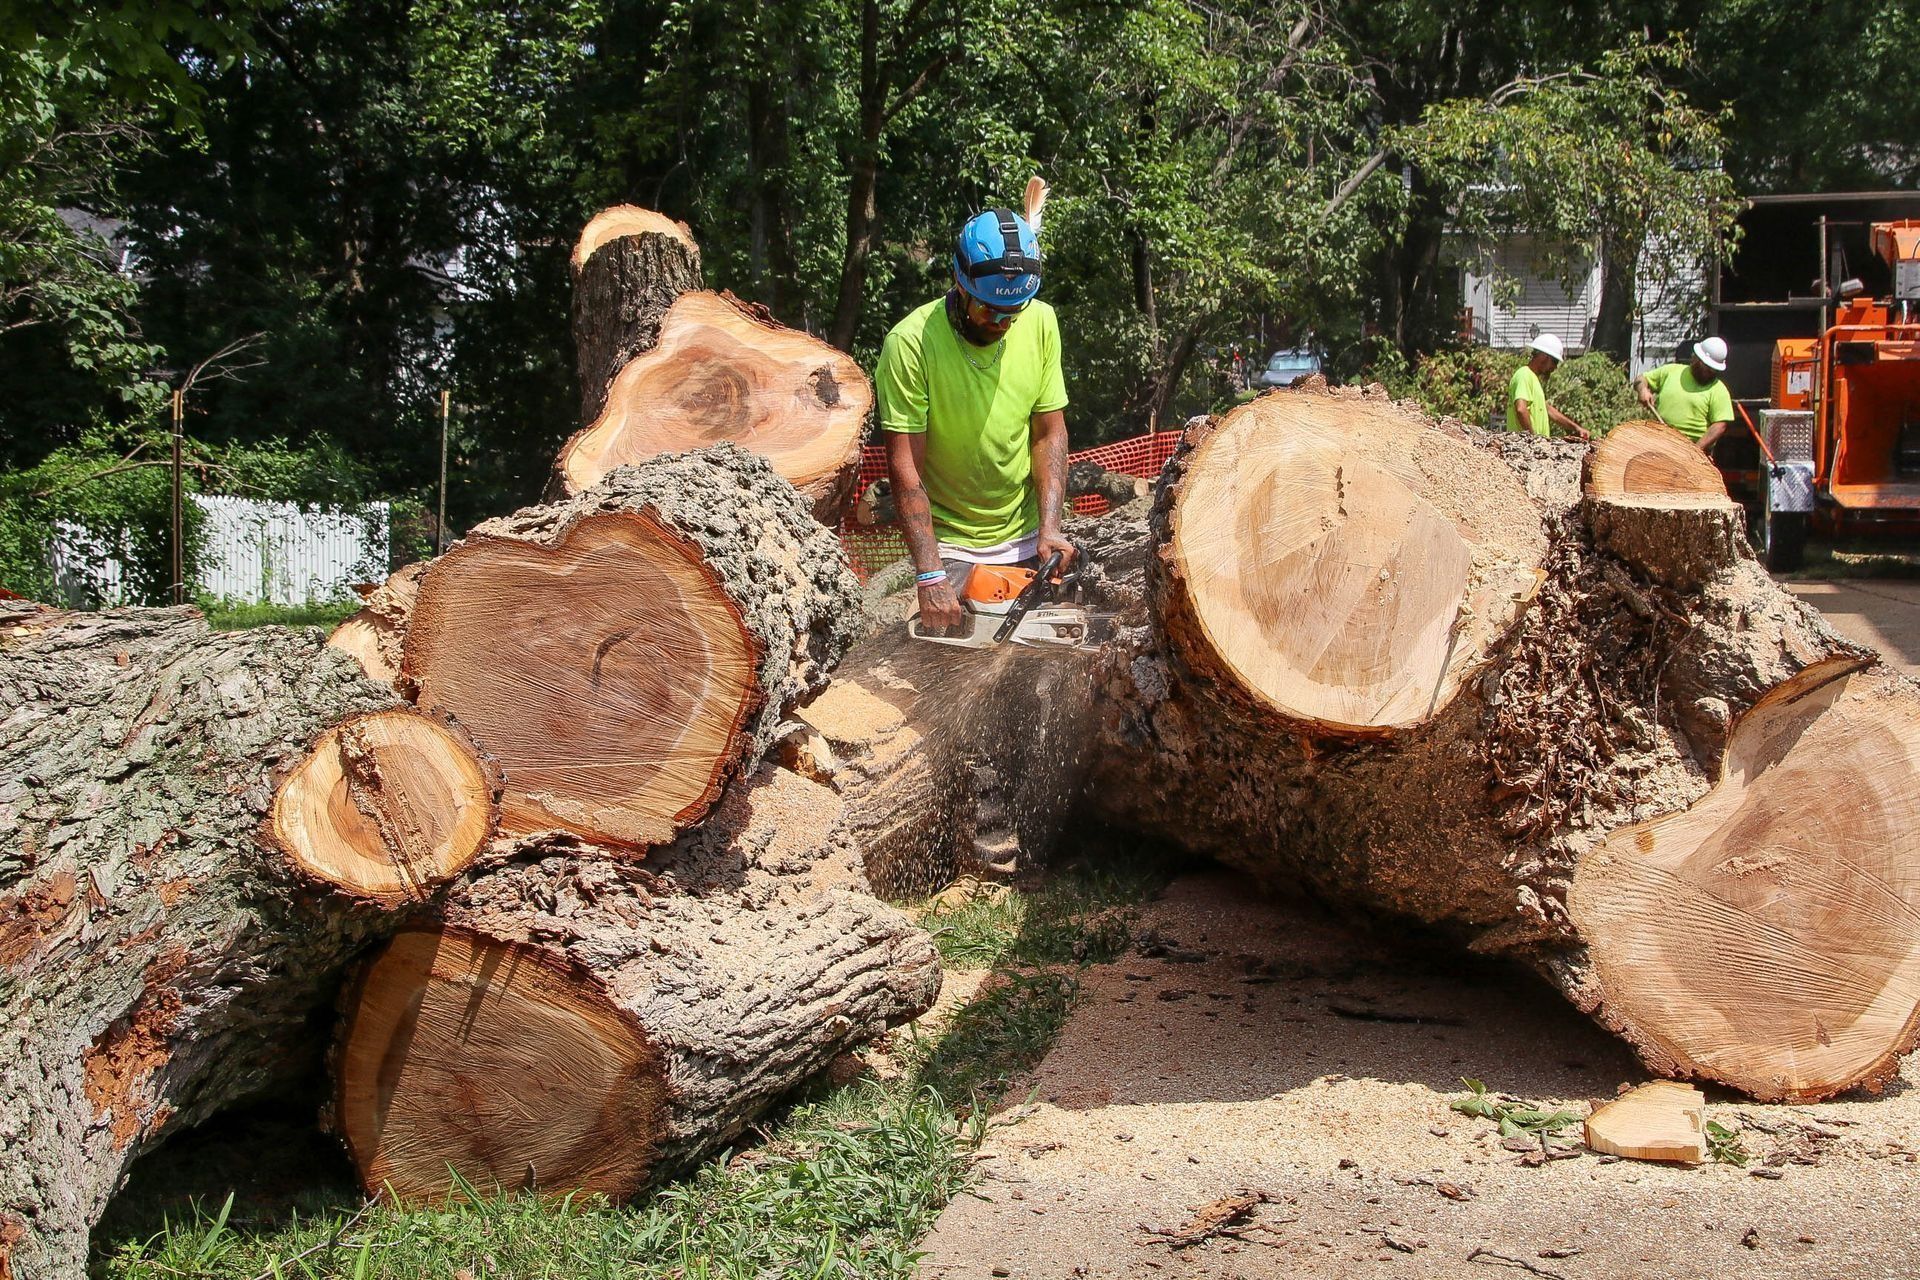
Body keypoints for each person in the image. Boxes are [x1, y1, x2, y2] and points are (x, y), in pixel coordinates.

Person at [876, 208, 1072, 636]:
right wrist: (930, 573)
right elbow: (905, 465)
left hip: (1026, 534)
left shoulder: (1041, 322)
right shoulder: (910, 343)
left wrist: (1051, 528)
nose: (1001, 323)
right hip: (952, 542)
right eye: (989, 309)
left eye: (1012, 311)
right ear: (959, 282)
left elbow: (1048, 433)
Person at [1635, 336, 1735, 452]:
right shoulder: (1671, 372)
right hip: (1660, 444)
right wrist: (1642, 390)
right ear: (1696, 358)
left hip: (1694, 451)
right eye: (1706, 367)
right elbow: (1641, 379)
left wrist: (1696, 450)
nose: (1709, 372)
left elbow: (1719, 425)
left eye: (1713, 369)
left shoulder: (1718, 390)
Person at [1505, 334, 1589, 440]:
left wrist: (1576, 428)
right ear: (1544, 356)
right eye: (1554, 362)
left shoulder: (1533, 378)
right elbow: (1521, 409)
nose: (1555, 367)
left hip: (1531, 447)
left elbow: (1548, 410)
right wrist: (1532, 439)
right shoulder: (1524, 375)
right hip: (1523, 446)